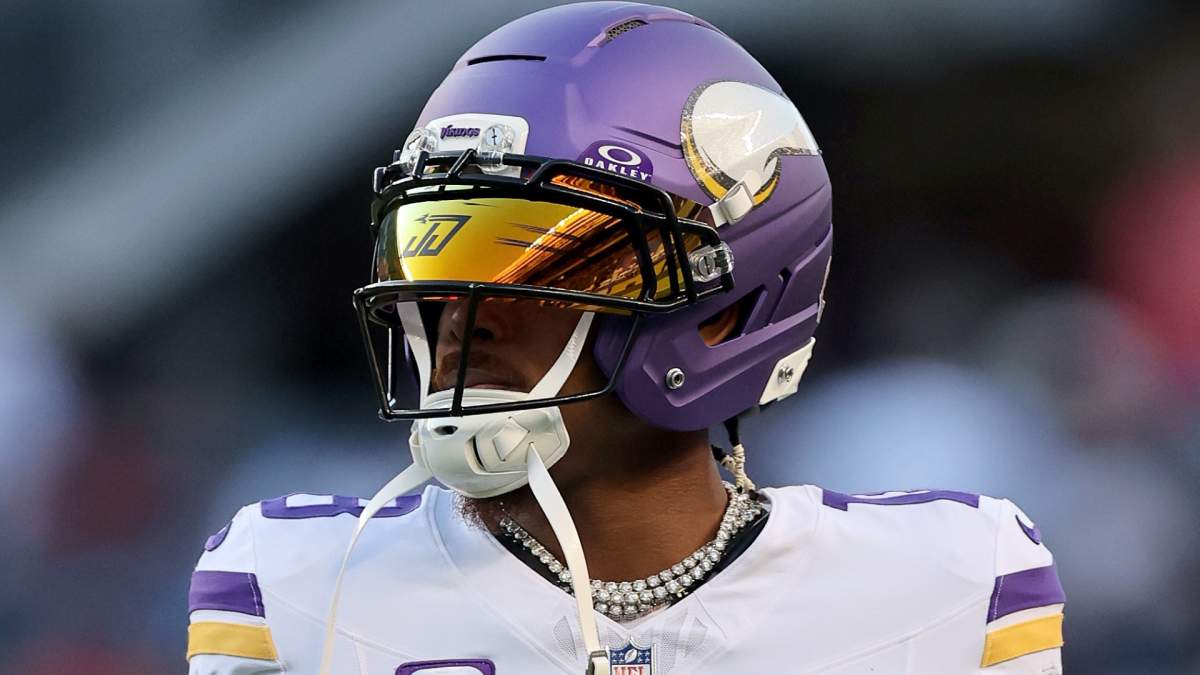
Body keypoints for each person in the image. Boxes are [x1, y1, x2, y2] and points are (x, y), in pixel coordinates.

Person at [185, 3, 1065, 674]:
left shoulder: (947, 581)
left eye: (533, 262)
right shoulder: (296, 583)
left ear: (720, 303)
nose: (462, 316)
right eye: (436, 253)